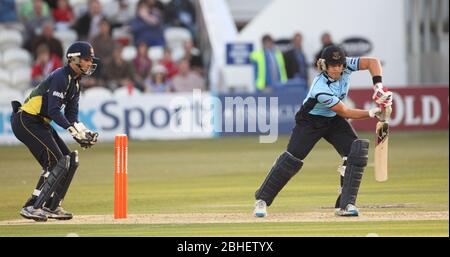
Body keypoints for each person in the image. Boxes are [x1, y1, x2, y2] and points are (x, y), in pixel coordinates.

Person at [253, 45, 393, 218]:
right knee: (292, 159)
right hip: (310, 121)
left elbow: (373, 62)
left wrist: (378, 87)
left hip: (333, 119)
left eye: (339, 65)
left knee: (355, 152)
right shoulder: (321, 87)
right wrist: (373, 112)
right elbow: (345, 112)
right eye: (332, 65)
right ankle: (262, 200)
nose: (337, 69)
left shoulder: (345, 65)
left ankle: (346, 204)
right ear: (324, 65)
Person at [10, 41, 100, 222]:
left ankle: (52, 206)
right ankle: (31, 206)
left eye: (91, 60)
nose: (90, 63)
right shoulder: (61, 76)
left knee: (70, 160)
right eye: (87, 59)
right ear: (74, 59)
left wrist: (83, 131)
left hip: (40, 123)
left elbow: (72, 115)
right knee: (56, 162)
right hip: (26, 119)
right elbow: (53, 111)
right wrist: (71, 130)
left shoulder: (75, 83)